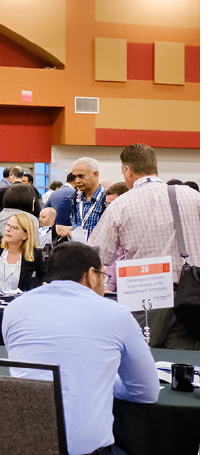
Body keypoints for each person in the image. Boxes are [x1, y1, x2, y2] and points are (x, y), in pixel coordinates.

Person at [2, 242, 159, 455]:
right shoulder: (116, 314)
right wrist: (100, 379)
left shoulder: (15, 309)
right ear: (90, 275)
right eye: (103, 276)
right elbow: (147, 391)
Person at [89, 143, 200, 349]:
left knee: (144, 363)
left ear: (128, 171)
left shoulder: (120, 205)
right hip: (193, 297)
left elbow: (96, 256)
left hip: (145, 297)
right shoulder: (193, 197)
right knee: (187, 366)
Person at [0, 213, 45, 292]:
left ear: (25, 235)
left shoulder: (34, 254)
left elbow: (45, 277)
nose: (8, 229)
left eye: (15, 227)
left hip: (16, 302)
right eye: (8, 225)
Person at [56, 157, 107, 241]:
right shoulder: (71, 201)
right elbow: (60, 227)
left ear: (95, 175)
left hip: (99, 252)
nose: (77, 181)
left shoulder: (107, 201)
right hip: (77, 251)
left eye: (81, 176)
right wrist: (63, 229)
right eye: (74, 177)